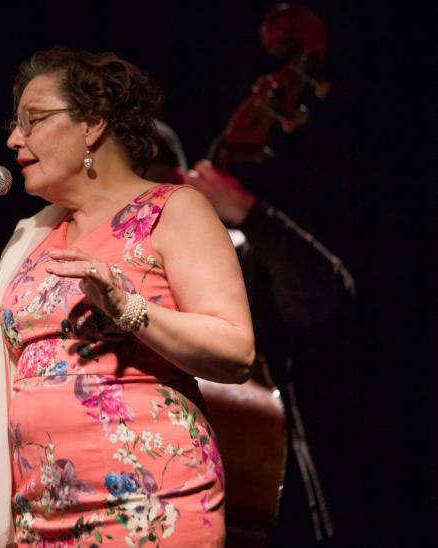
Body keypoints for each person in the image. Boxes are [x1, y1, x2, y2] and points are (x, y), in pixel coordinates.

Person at [0, 48, 255, 547]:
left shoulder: (173, 210)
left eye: (33, 120)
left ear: (92, 124)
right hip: (40, 512)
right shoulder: (30, 238)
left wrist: (128, 308)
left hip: (150, 505)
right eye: (15, 125)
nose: (14, 139)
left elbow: (237, 352)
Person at [147, 121, 355, 547]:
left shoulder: (238, 254)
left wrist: (245, 211)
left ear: (182, 184)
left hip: (261, 500)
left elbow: (326, 294)